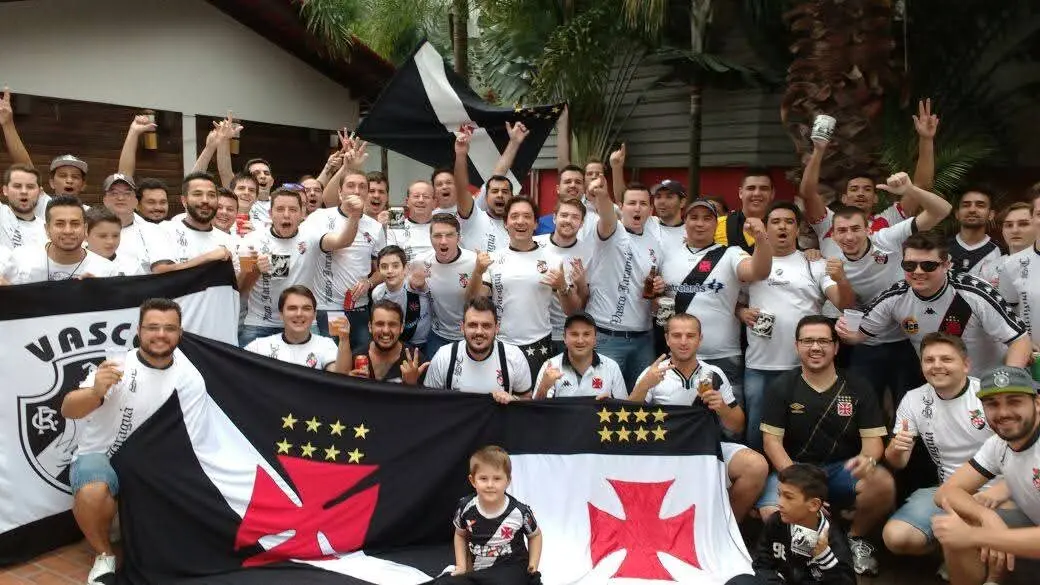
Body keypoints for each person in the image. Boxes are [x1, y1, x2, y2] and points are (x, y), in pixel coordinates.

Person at [60, 299, 197, 585]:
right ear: (139, 331)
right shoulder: (118, 365)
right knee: (92, 491)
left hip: (152, 462)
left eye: (169, 328)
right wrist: (96, 392)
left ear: (180, 333)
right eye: (153, 327)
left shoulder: (190, 375)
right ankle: (104, 555)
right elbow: (68, 409)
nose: (161, 334)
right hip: (101, 456)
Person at [758, 316, 893, 576]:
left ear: (836, 347)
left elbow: (873, 442)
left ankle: (854, 539)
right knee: (771, 511)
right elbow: (771, 442)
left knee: (882, 482)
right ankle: (809, 556)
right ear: (797, 346)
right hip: (796, 469)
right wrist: (799, 484)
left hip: (841, 470)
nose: (815, 347)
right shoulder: (782, 386)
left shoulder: (858, 386)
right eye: (808, 341)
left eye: (823, 341)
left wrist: (867, 460)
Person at [629, 313, 769, 521]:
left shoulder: (714, 373)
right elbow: (627, 419)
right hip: (664, 451)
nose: (683, 342)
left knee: (755, 466)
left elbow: (738, 426)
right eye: (677, 335)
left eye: (690, 335)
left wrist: (722, 407)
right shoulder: (653, 373)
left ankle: (726, 527)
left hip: (706, 448)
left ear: (700, 339)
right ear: (667, 339)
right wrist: (643, 386)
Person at [827, 173, 952, 405]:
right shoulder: (833, 265)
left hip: (907, 339)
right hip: (866, 343)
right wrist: (841, 279)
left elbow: (942, 210)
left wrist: (910, 190)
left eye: (855, 229)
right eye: (842, 231)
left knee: (912, 407)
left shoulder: (886, 239)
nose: (849, 236)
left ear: (868, 230)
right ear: (833, 236)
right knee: (863, 408)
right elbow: (845, 305)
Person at [742, 202, 854, 450]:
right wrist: (741, 312)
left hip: (804, 367)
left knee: (800, 433)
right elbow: (734, 301)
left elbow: (844, 303)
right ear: (765, 228)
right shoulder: (750, 264)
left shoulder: (814, 263)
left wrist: (842, 280)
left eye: (789, 221)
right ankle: (757, 473)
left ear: (798, 228)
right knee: (755, 433)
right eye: (775, 222)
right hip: (759, 365)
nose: (782, 226)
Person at [838, 230, 1032, 372]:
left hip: (988, 386)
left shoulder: (974, 292)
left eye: (928, 265)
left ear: (946, 265)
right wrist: (845, 330)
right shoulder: (895, 296)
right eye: (909, 265)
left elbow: (1020, 340)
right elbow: (858, 335)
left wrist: (1007, 383)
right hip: (940, 386)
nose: (918, 271)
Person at [881, 333, 994, 558]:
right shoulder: (913, 399)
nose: (937, 366)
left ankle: (962, 551)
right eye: (929, 360)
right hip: (946, 491)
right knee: (896, 537)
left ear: (966, 365)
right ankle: (947, 550)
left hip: (995, 491)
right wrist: (896, 448)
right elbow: (899, 462)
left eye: (946, 359)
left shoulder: (987, 395)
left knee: (985, 543)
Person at [658, 198, 772, 418]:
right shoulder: (668, 256)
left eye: (707, 218)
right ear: (685, 221)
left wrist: (760, 238)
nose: (700, 223)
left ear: (716, 223)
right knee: (681, 422)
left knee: (729, 425)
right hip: (678, 358)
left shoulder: (731, 253)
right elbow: (657, 302)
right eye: (694, 217)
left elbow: (759, 271)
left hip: (723, 357)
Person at [933, 366, 1040, 585]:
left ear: (1037, 403)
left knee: (965, 533)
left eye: (1014, 401)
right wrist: (986, 518)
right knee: (962, 519)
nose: (1003, 413)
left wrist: (977, 536)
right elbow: (946, 492)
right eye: (992, 404)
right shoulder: (999, 444)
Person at [468, 197, 581, 381]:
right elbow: (473, 301)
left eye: (527, 216)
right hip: (501, 343)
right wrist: (477, 272)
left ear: (536, 223)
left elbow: (572, 311)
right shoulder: (493, 259)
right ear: (506, 223)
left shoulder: (553, 260)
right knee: (501, 395)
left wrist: (563, 287)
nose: (520, 221)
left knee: (538, 396)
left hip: (539, 344)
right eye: (514, 216)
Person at [799, 100, 938, 249]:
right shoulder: (829, 223)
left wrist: (926, 139)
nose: (860, 193)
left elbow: (921, 186)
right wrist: (819, 150)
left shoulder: (889, 220)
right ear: (844, 198)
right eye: (854, 189)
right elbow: (808, 193)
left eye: (867, 189)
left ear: (875, 198)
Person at [237, 189, 361, 347]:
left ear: (302, 214)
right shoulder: (251, 241)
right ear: (270, 213)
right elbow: (241, 289)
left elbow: (343, 241)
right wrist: (254, 270)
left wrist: (354, 216)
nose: (286, 215)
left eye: (293, 209)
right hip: (261, 323)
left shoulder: (311, 236)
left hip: (303, 321)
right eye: (280, 209)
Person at [585, 175, 663, 389]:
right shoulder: (613, 230)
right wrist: (602, 194)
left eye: (643, 203)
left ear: (651, 210)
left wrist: (658, 287)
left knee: (642, 399)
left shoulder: (655, 243)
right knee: (603, 399)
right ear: (621, 207)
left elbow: (653, 292)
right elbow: (606, 214)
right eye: (631, 203)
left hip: (643, 337)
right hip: (607, 337)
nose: (637, 208)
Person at [727, 463, 855, 585]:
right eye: (779, 494)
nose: (780, 503)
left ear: (813, 504)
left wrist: (824, 557)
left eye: (788, 497)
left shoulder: (833, 538)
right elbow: (762, 563)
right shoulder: (777, 521)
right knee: (739, 581)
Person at [302, 170, 386, 350]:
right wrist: (354, 215)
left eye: (362, 187)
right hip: (328, 307)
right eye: (351, 186)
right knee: (334, 358)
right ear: (340, 192)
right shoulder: (321, 217)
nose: (357, 190)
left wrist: (369, 282)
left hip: (360, 307)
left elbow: (383, 269)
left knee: (362, 358)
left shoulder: (376, 227)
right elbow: (340, 242)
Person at [442, 446, 542, 584]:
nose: (490, 485)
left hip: (510, 569)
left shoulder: (520, 511)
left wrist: (533, 565)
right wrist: (461, 566)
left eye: (497, 478)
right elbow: (460, 535)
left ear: (508, 481)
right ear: (473, 481)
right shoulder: (465, 507)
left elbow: (535, 535)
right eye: (483, 478)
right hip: (478, 572)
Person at [424, 297, 532, 401]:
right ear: (462, 328)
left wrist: (513, 400)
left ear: (496, 328)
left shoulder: (514, 357)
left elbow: (527, 399)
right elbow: (429, 403)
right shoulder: (443, 357)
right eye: (472, 325)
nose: (479, 332)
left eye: (486, 326)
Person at [2, 196, 117, 283]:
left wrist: (100, 293)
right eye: (60, 224)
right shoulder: (22, 259)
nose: (68, 231)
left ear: (85, 228)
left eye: (75, 224)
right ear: (47, 229)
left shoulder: (106, 271)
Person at [454, 124, 529, 252]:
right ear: (485, 196)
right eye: (494, 191)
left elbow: (499, 174)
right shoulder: (474, 217)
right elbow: (461, 188)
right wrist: (461, 155)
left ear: (512, 197)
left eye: (505, 192)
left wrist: (514, 142)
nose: (500, 195)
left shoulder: (518, 228)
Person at [534, 199, 593, 355]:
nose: (568, 220)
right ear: (554, 218)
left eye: (575, 217)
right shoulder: (535, 244)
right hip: (535, 332)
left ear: (581, 223)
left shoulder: (588, 252)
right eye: (564, 215)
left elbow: (583, 304)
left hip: (566, 335)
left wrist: (581, 284)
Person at [245, 285, 350, 372]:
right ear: (281, 314)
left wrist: (344, 339)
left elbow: (339, 376)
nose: (299, 314)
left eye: (306, 308)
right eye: (292, 308)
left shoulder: (326, 344)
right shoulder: (259, 347)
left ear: (314, 315)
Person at [419, 214, 478, 359]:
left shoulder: (475, 262)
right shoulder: (422, 262)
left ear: (458, 238)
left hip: (470, 336)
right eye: (437, 236)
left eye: (449, 235)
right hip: (438, 335)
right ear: (430, 238)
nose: (443, 241)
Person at [532, 312, 626, 400]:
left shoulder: (612, 367)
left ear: (595, 339)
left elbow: (624, 407)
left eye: (586, 334)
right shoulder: (550, 367)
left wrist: (610, 403)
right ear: (564, 338)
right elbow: (536, 410)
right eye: (574, 334)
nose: (580, 341)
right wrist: (544, 387)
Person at [101, 173, 176, 274]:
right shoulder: (89, 228)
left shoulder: (153, 231)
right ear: (104, 200)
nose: (121, 198)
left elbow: (163, 270)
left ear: (136, 201)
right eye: (114, 193)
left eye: (127, 193)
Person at [157, 172, 234, 271]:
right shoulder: (164, 230)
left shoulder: (227, 240)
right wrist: (207, 258)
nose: (205, 200)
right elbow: (160, 271)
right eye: (198, 194)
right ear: (184, 200)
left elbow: (237, 280)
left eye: (211, 195)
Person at [343, 299, 429, 384]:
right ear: (370, 327)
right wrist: (351, 384)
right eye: (380, 324)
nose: (386, 330)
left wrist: (412, 385)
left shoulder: (416, 362)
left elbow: (426, 392)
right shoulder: (355, 358)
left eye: (392, 324)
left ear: (401, 328)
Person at [370, 245, 431, 347]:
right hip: (395, 342)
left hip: (424, 342)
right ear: (379, 270)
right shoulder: (378, 294)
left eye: (395, 266)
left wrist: (423, 284)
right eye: (384, 267)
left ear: (405, 268)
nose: (390, 271)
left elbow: (429, 291)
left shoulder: (416, 285)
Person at [998, 209, 1040, 351]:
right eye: (1008, 225)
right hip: (1029, 353)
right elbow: (1005, 316)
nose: (1015, 230)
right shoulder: (997, 266)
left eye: (1023, 224)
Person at [948, 188, 1004, 285]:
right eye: (966, 205)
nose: (972, 210)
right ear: (957, 214)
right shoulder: (941, 247)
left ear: (991, 215)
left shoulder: (1001, 252)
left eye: (980, 205)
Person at [715, 169, 775, 254]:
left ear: (772, 193)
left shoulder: (781, 226)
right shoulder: (718, 225)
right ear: (741, 193)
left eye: (764, 189)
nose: (757, 193)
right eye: (751, 188)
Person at [386, 180, 436, 262]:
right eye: (416, 196)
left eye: (426, 197)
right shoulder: (396, 222)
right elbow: (390, 258)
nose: (421, 200)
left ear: (434, 203)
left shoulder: (442, 225)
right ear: (407, 202)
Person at [85, 207, 142, 276]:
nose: (111, 241)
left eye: (115, 235)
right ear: (85, 235)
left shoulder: (132, 266)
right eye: (102, 236)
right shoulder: (76, 267)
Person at [1, 163, 47, 249]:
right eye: (17, 186)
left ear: (40, 192)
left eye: (30, 187)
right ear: (5, 190)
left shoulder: (47, 230)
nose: (24, 191)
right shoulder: (2, 214)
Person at [648, 179, 688, 250]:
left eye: (669, 197)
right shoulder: (645, 225)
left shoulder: (690, 233)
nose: (662, 201)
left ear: (682, 202)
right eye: (658, 197)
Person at [244, 158, 276, 227]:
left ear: (272, 181)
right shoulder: (241, 202)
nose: (263, 176)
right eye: (256, 173)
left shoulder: (281, 204)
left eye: (266, 173)